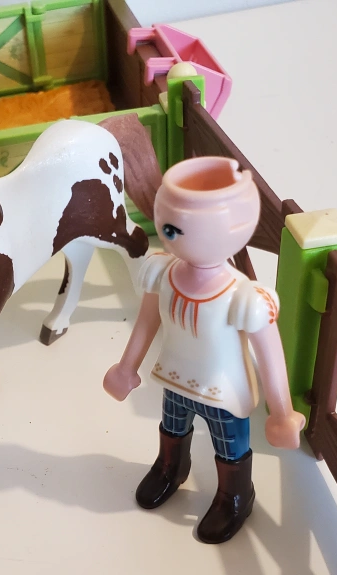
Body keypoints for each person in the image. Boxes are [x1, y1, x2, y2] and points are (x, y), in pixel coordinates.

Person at [103, 155, 304, 543]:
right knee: (171, 430)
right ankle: (169, 469)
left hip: (222, 393)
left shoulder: (244, 296)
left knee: (230, 450)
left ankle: (235, 496)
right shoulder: (163, 272)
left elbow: (270, 353)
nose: (170, 234)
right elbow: (147, 321)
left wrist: (282, 411)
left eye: (179, 227)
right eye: (168, 225)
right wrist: (127, 367)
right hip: (175, 379)